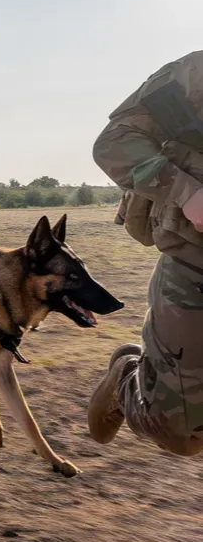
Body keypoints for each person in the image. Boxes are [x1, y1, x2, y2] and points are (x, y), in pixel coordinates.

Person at [88, 49, 203, 457]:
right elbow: (116, 143)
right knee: (182, 435)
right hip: (195, 265)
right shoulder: (195, 74)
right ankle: (127, 380)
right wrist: (188, 194)